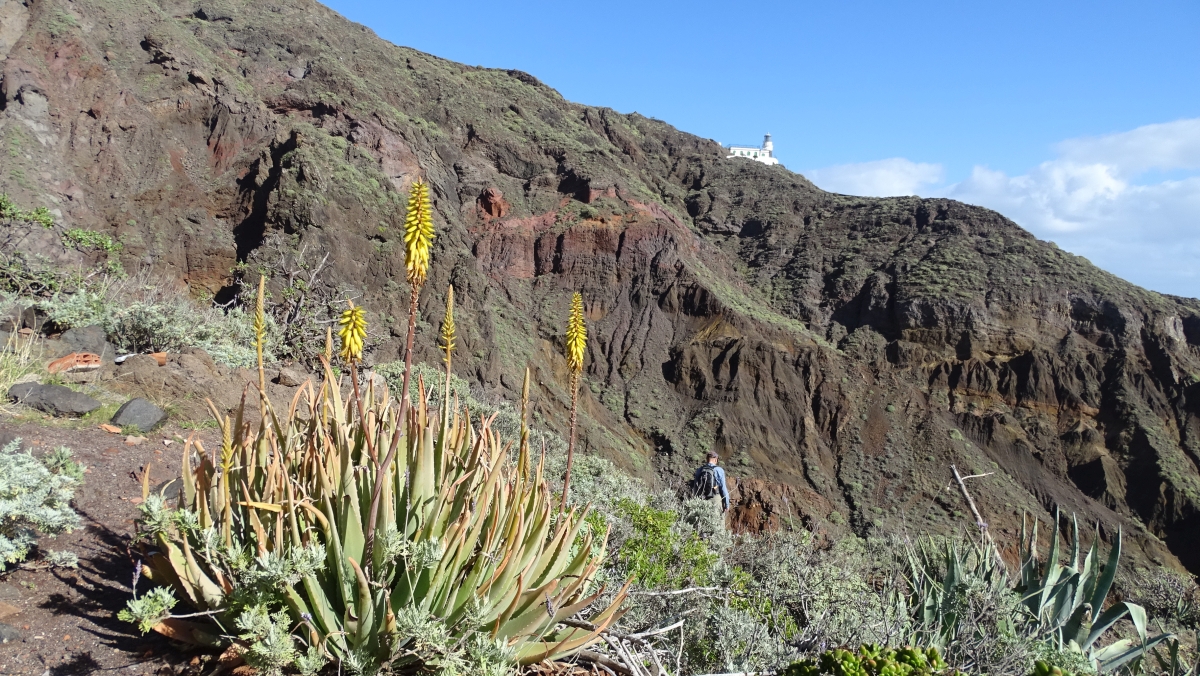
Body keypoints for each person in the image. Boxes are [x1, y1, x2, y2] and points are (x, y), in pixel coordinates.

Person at [692, 451, 729, 517]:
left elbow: (696, 487)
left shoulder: (700, 470)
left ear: (707, 459)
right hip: (715, 499)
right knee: (717, 522)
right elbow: (723, 488)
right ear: (715, 459)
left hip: (703, 499)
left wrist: (696, 501)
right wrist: (726, 504)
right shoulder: (719, 470)